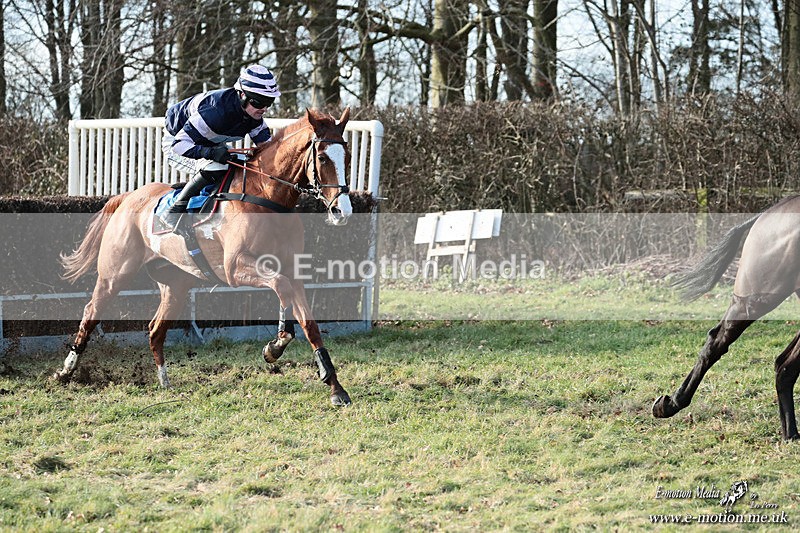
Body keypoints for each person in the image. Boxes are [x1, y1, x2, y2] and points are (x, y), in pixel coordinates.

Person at [159, 64, 281, 228]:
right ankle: (174, 211)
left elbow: (269, 149)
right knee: (216, 167)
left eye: (269, 102)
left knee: (242, 165)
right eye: (259, 103)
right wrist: (210, 153)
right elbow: (179, 145)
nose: (264, 109)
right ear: (242, 95)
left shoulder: (253, 115)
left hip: (209, 141)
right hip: (178, 142)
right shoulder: (215, 111)